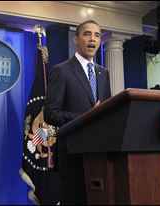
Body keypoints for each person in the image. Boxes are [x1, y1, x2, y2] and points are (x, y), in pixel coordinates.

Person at [43, 20, 111, 204]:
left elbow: (106, 111)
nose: (93, 39)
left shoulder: (103, 73)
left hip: (99, 154)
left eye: (97, 35)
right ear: (76, 39)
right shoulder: (62, 71)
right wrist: (85, 117)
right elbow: (50, 113)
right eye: (87, 34)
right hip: (72, 154)